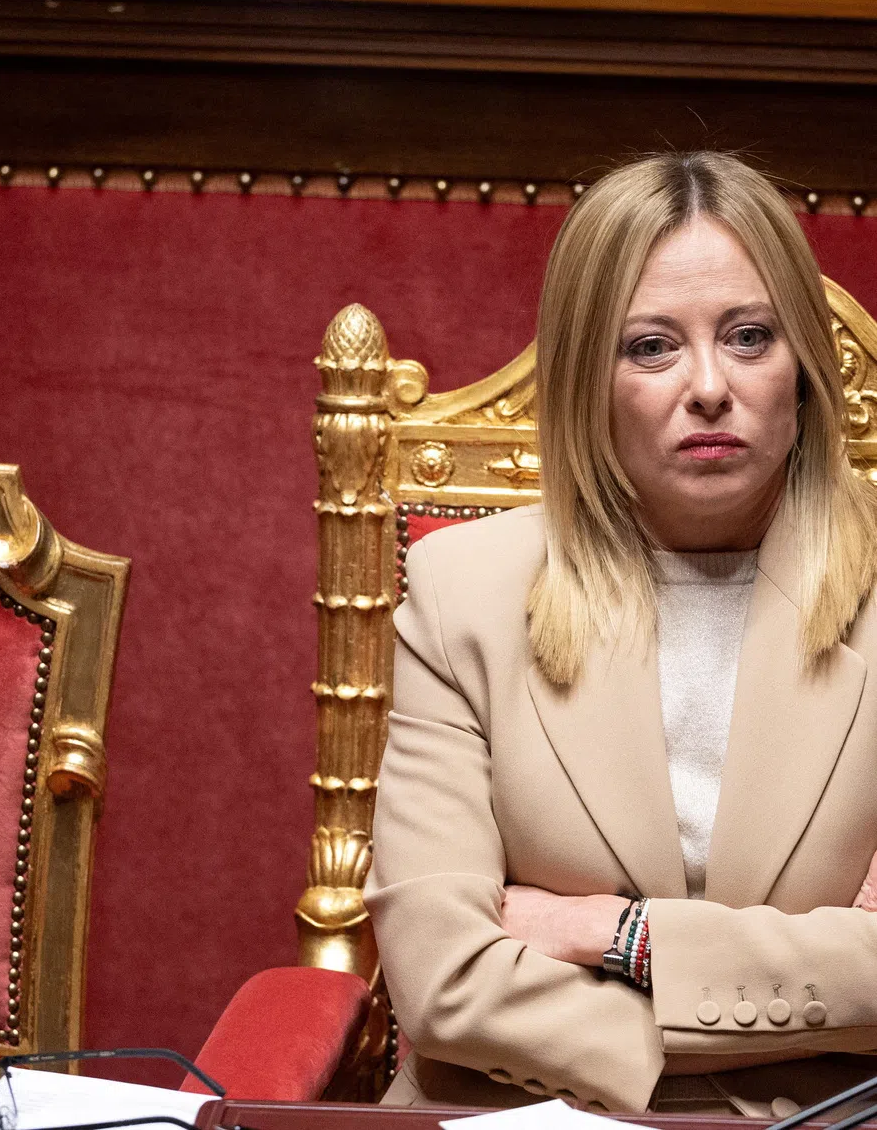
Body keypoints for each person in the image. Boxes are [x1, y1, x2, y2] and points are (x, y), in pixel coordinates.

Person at [364, 151, 877, 1118]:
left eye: (751, 336)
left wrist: (617, 936)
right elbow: (441, 988)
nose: (710, 387)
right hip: (530, 1116)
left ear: (803, 368)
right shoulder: (463, 593)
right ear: (585, 382)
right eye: (652, 347)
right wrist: (813, 990)